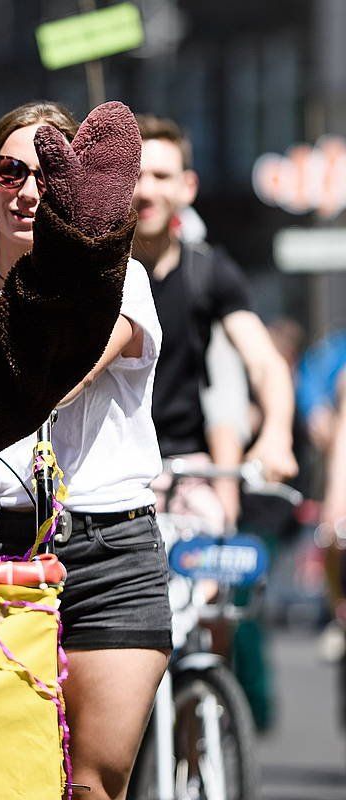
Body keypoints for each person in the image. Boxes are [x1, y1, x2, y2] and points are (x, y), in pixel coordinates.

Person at [0, 100, 169, 800]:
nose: (27, 191)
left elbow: (70, 368)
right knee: (3, 781)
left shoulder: (120, 282)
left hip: (108, 553)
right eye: (9, 172)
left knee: (93, 784)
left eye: (48, 175)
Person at [133, 114, 298, 530]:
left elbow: (265, 363)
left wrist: (277, 433)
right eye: (134, 175)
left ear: (187, 187)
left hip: (187, 476)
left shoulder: (209, 272)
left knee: (208, 581)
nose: (146, 189)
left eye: (161, 175)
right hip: (104, 479)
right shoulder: (91, 270)